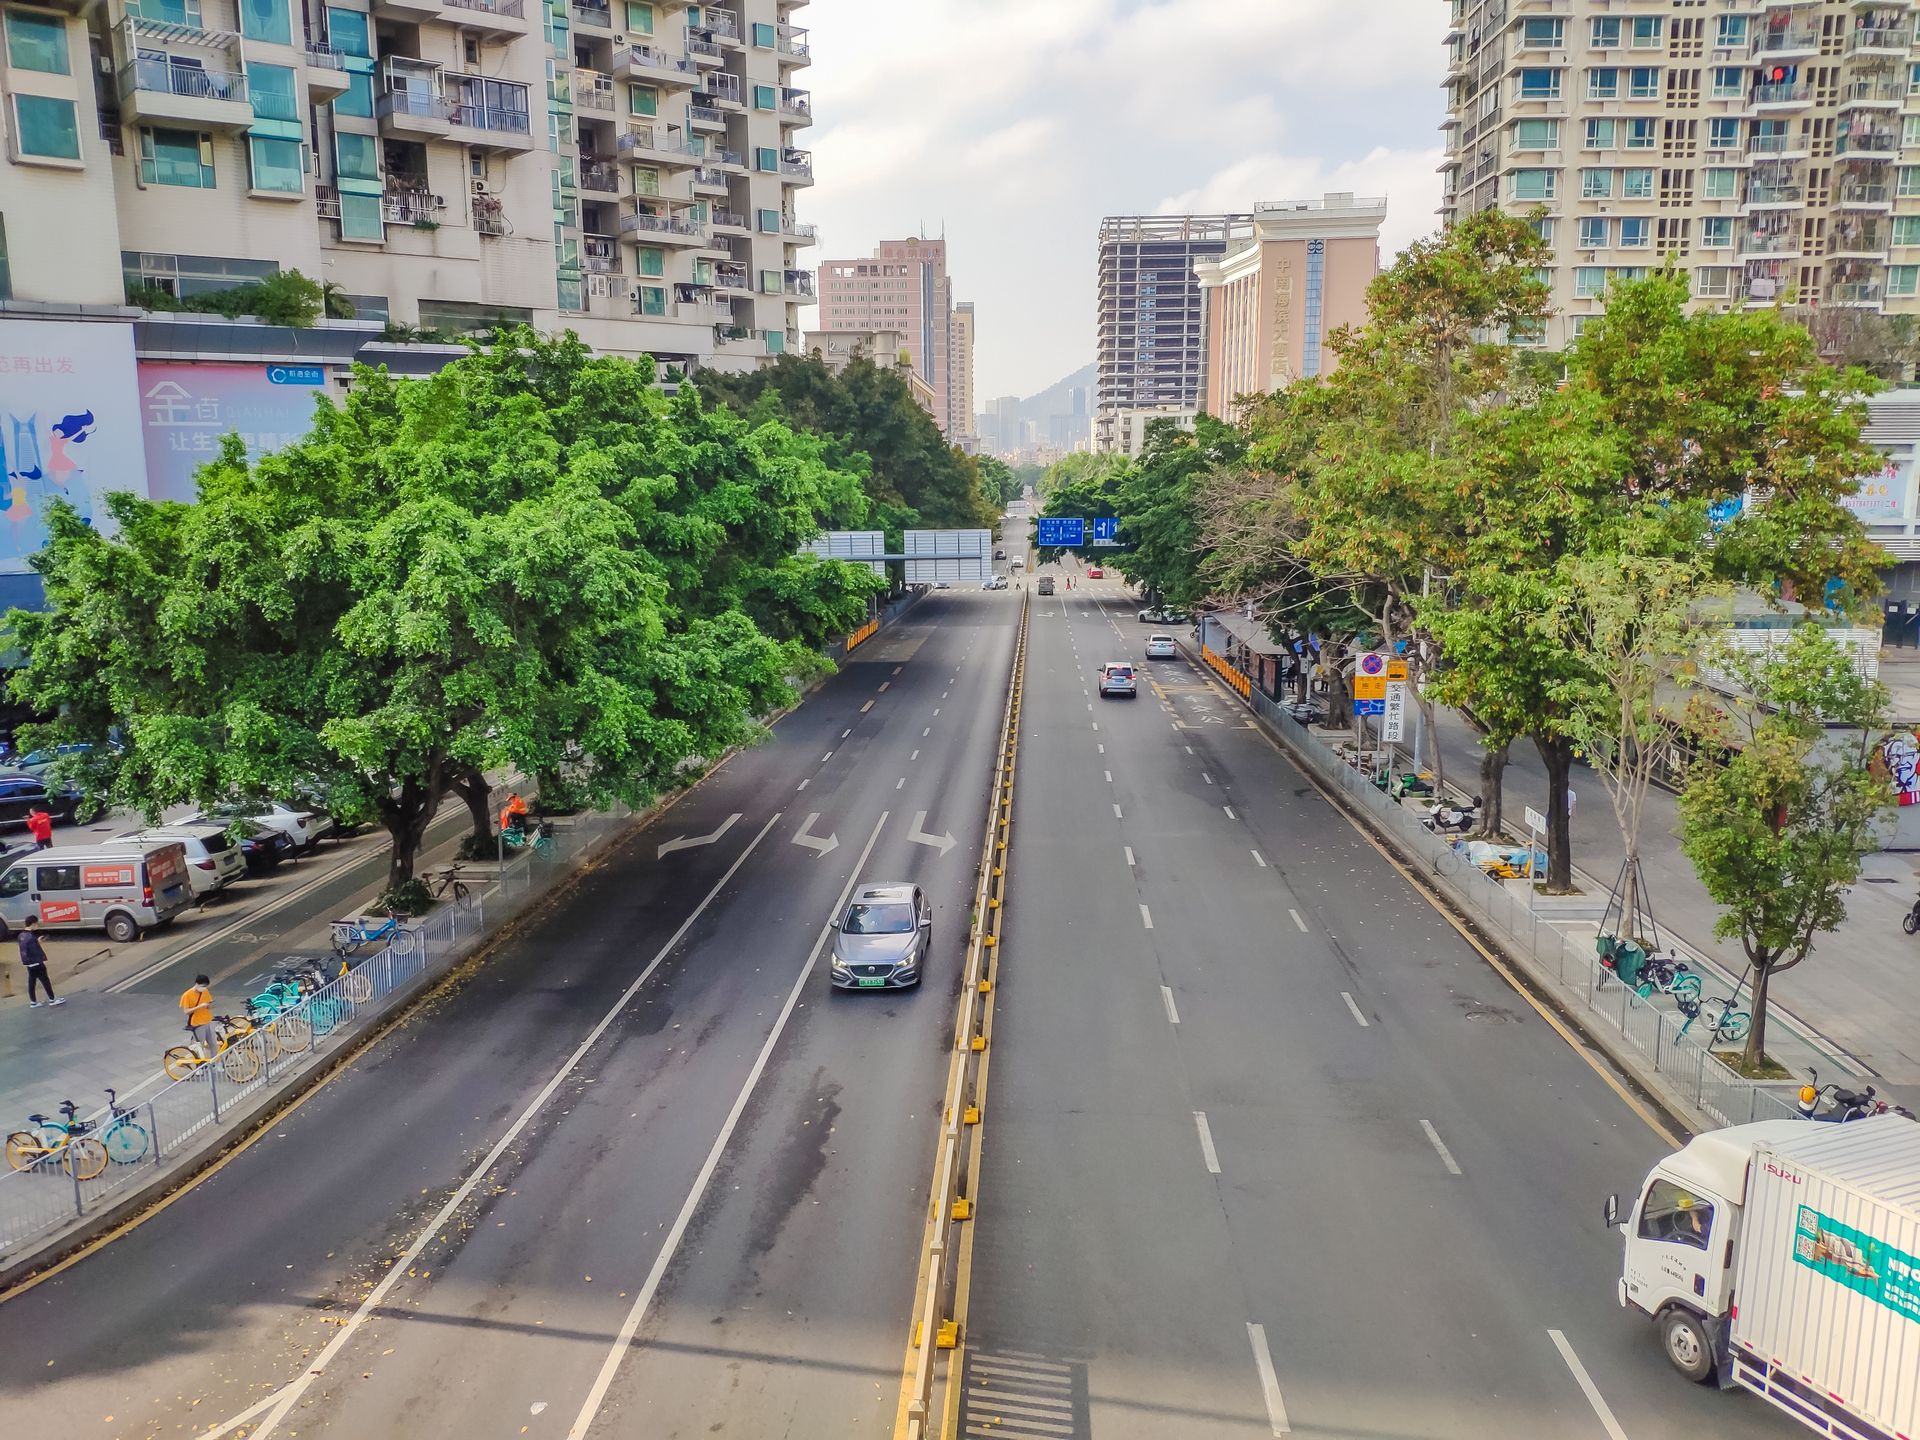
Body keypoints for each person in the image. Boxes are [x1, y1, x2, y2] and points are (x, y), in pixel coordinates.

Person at [19, 918, 62, 1007]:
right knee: (45, 981)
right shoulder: (31, 936)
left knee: (31, 983)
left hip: (29, 964)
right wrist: (41, 958)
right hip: (37, 963)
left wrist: (37, 942)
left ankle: (33, 1002)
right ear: (33, 924)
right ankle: (52, 999)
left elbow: (27, 948)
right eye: (37, 924)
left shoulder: (21, 935)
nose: (37, 926)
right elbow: (35, 951)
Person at [179, 973, 215, 1059]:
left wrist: (208, 1006)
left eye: (205, 986)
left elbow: (209, 1003)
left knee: (213, 1043)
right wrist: (199, 1007)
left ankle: (216, 1063)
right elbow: (186, 1011)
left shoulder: (205, 991)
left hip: (208, 1020)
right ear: (197, 983)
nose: (204, 988)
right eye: (203, 986)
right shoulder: (187, 995)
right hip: (197, 1024)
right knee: (200, 1046)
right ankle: (200, 1066)